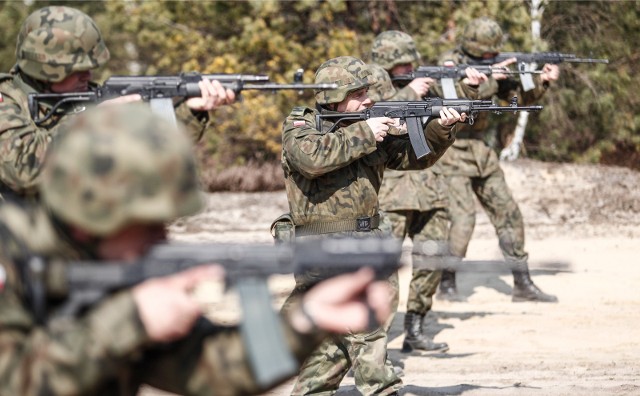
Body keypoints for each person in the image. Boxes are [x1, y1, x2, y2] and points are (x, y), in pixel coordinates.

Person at [0, 103, 394, 396]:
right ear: (89, 213)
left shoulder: (114, 275)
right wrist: (127, 323)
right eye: (145, 223)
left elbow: (212, 371)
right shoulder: (12, 256)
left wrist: (304, 325)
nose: (161, 238)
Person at [276, 55, 467, 395]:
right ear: (333, 97)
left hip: (366, 243)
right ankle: (383, 389)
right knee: (367, 330)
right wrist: (367, 132)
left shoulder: (367, 128)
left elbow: (414, 157)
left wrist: (442, 126)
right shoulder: (301, 125)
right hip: (323, 247)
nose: (369, 99)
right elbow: (311, 159)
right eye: (359, 92)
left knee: (331, 347)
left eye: (368, 91)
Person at [0, 5, 234, 201]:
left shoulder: (91, 99)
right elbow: (23, 170)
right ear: (45, 68)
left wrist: (190, 112)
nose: (88, 76)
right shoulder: (6, 100)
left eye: (90, 68)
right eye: (77, 69)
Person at [369, 31, 486, 353]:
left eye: (410, 63)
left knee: (431, 260)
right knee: (382, 271)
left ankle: (416, 328)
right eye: (400, 65)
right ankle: (371, 345)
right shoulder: (370, 84)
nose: (407, 69)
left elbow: (454, 104)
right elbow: (369, 115)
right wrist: (408, 90)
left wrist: (470, 88)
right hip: (391, 195)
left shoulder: (426, 82)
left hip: (432, 188)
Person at [436, 16, 559, 302]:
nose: (493, 57)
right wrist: (489, 80)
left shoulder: (495, 68)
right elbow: (453, 102)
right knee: (462, 220)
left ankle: (522, 281)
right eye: (488, 54)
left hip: (483, 152)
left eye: (495, 53)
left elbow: (522, 99)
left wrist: (540, 82)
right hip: (451, 151)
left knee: (508, 212)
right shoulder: (449, 64)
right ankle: (447, 282)